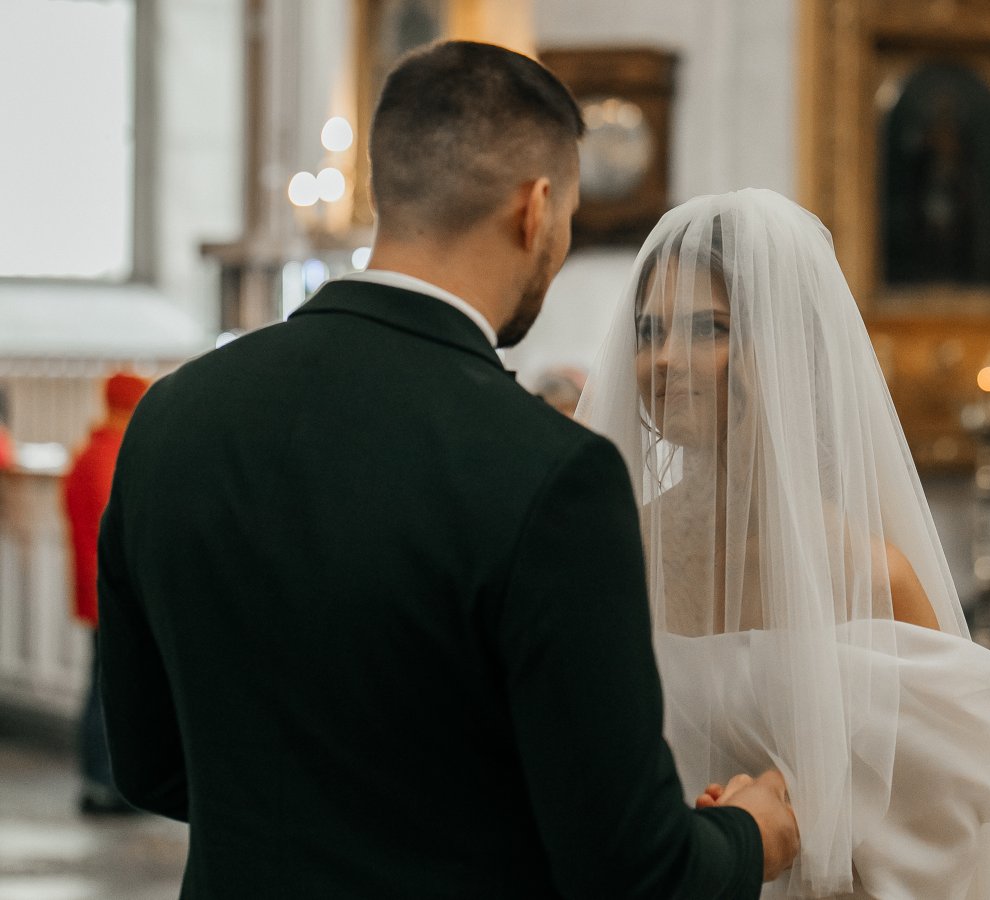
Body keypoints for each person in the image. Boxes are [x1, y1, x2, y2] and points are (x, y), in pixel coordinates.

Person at [97, 42, 797, 898]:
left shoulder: (171, 418)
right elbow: (632, 869)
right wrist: (751, 835)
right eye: (570, 218)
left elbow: (149, 764)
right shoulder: (550, 474)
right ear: (537, 209)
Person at [576, 188, 990, 898]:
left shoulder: (869, 577)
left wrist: (791, 823)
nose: (664, 358)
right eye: (647, 331)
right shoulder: (617, 551)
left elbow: (942, 827)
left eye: (707, 328)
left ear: (786, 351)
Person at [62, 371, 149, 814]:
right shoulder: (113, 458)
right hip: (111, 596)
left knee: (101, 687)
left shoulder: (88, 454)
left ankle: (102, 781)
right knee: (109, 693)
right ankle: (104, 783)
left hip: (94, 592)